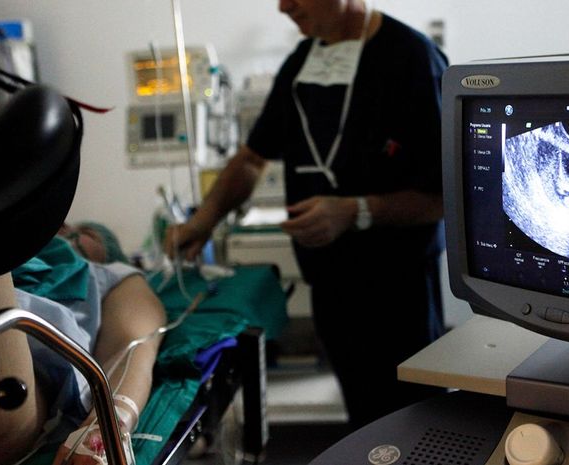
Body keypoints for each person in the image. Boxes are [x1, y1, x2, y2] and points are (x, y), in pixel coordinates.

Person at [165, 0, 447, 428]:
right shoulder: (304, 62)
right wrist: (203, 221)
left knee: (413, 424)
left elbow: (444, 197)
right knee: (364, 424)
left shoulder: (413, 60)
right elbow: (252, 159)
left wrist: (357, 211)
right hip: (332, 289)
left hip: (398, 296)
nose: (283, 6)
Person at [0, 34, 166, 465]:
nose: (71, 234)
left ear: (100, 253)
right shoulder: (15, 223)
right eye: (71, 227)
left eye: (88, 237)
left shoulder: (107, 277)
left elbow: (137, 344)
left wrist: (110, 422)